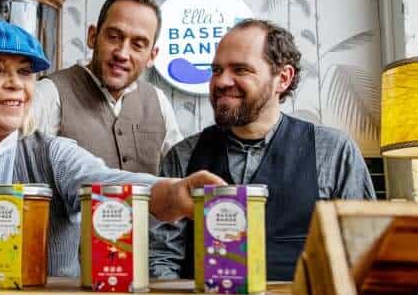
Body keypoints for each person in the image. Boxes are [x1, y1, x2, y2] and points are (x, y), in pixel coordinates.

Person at [0, 16, 224, 277]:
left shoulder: (54, 154)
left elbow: (110, 183)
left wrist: (175, 193)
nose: (16, 84)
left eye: (25, 72)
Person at [149, 18, 375, 281]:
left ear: (283, 79)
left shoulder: (334, 152)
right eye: (217, 70)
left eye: (240, 69)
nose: (221, 81)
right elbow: (161, 257)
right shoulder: (182, 156)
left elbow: (362, 253)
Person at [32, 0, 182, 174]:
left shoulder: (158, 101)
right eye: (113, 37)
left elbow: (181, 174)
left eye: (137, 45)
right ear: (92, 37)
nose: (122, 54)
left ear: (152, 56)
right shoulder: (49, 93)